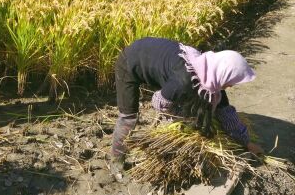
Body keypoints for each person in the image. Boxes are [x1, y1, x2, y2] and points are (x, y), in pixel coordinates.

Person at [110, 37, 263, 172]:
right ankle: (116, 161)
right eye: (231, 82)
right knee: (128, 116)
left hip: (156, 60)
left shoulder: (210, 73)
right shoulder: (184, 81)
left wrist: (246, 143)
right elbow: (157, 102)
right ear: (224, 75)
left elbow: (225, 112)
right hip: (131, 61)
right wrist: (180, 119)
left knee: (187, 102)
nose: (230, 86)